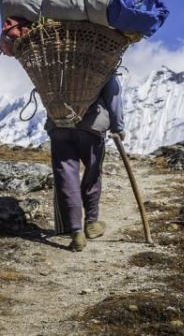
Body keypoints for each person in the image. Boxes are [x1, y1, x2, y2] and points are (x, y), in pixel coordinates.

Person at [45, 74, 125, 252]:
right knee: (93, 172)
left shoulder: (53, 61)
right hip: (91, 126)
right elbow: (113, 94)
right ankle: (91, 222)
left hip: (58, 123)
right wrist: (118, 127)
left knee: (66, 176)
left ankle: (76, 231)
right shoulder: (99, 60)